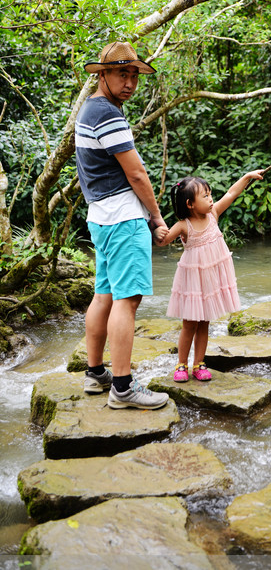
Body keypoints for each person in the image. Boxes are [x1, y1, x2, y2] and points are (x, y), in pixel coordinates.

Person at [75, 40, 170, 410]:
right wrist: (156, 218)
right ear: (103, 75)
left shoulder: (90, 109)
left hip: (100, 216)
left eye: (134, 75)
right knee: (127, 302)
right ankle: (124, 388)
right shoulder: (109, 115)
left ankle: (96, 372)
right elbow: (136, 174)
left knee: (105, 295)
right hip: (123, 217)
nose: (129, 82)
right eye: (121, 74)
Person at [154, 170, 264, 382]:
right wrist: (157, 232)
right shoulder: (183, 226)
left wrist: (246, 177)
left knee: (204, 322)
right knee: (189, 324)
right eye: (205, 196)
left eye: (210, 194)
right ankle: (181, 365)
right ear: (190, 204)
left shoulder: (213, 215)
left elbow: (231, 194)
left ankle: (199, 363)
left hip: (211, 279)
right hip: (193, 281)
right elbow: (163, 241)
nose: (211, 199)